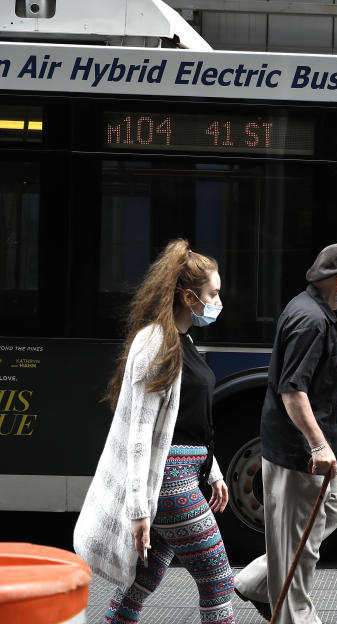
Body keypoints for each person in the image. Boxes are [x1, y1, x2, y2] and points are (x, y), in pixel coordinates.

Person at [74, 239, 235, 624]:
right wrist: (138, 511)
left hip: (182, 478)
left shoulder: (184, 341)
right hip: (169, 486)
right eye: (214, 294)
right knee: (218, 579)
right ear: (189, 297)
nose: (219, 302)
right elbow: (139, 436)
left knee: (142, 581)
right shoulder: (156, 344)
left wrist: (212, 473)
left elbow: (187, 421)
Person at [234, 243, 337, 624]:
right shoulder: (311, 320)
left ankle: (255, 581)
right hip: (300, 457)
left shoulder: (314, 312)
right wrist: (318, 444)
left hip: (307, 455)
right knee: (297, 559)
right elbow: (292, 390)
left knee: (332, 507)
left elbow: (306, 364)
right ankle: (294, 615)